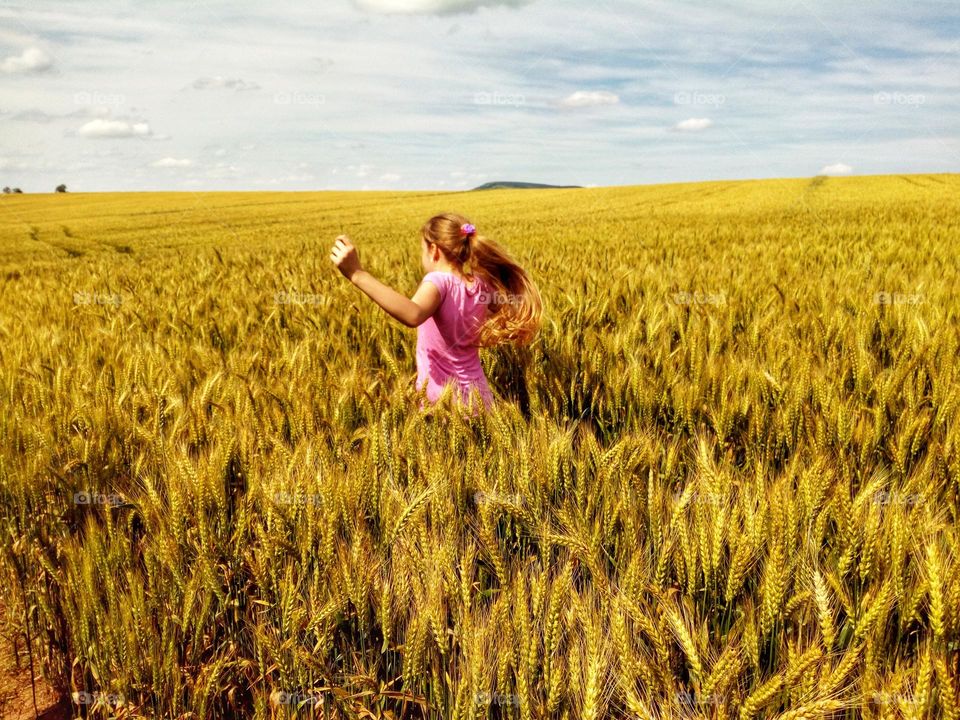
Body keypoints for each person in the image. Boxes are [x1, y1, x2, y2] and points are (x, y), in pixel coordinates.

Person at [330, 212, 542, 415]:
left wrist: (357, 274)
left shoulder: (438, 282)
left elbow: (413, 315)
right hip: (479, 399)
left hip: (443, 403)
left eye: (422, 250)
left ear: (434, 250)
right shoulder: (480, 284)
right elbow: (502, 304)